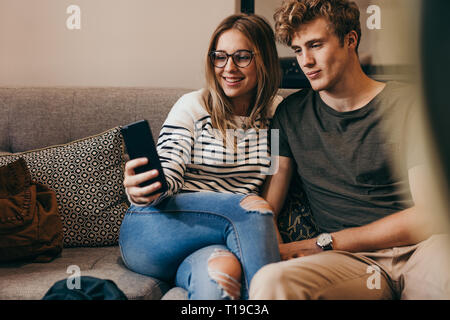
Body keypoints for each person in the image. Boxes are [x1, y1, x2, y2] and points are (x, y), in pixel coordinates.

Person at [250, 0, 450, 299]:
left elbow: (428, 215)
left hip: (424, 251)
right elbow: (269, 203)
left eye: (315, 44)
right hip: (349, 263)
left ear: (350, 40)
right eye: (298, 49)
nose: (305, 60)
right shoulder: (287, 115)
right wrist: (271, 246)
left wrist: (325, 242)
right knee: (271, 281)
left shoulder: (410, 105)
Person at [119, 14, 283, 300]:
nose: (228, 67)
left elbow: (272, 185)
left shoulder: (277, 113)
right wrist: (145, 187)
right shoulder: (193, 106)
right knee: (252, 208)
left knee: (220, 275)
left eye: (242, 57)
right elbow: (170, 168)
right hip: (155, 228)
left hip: (215, 241)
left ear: (264, 60)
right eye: (220, 57)